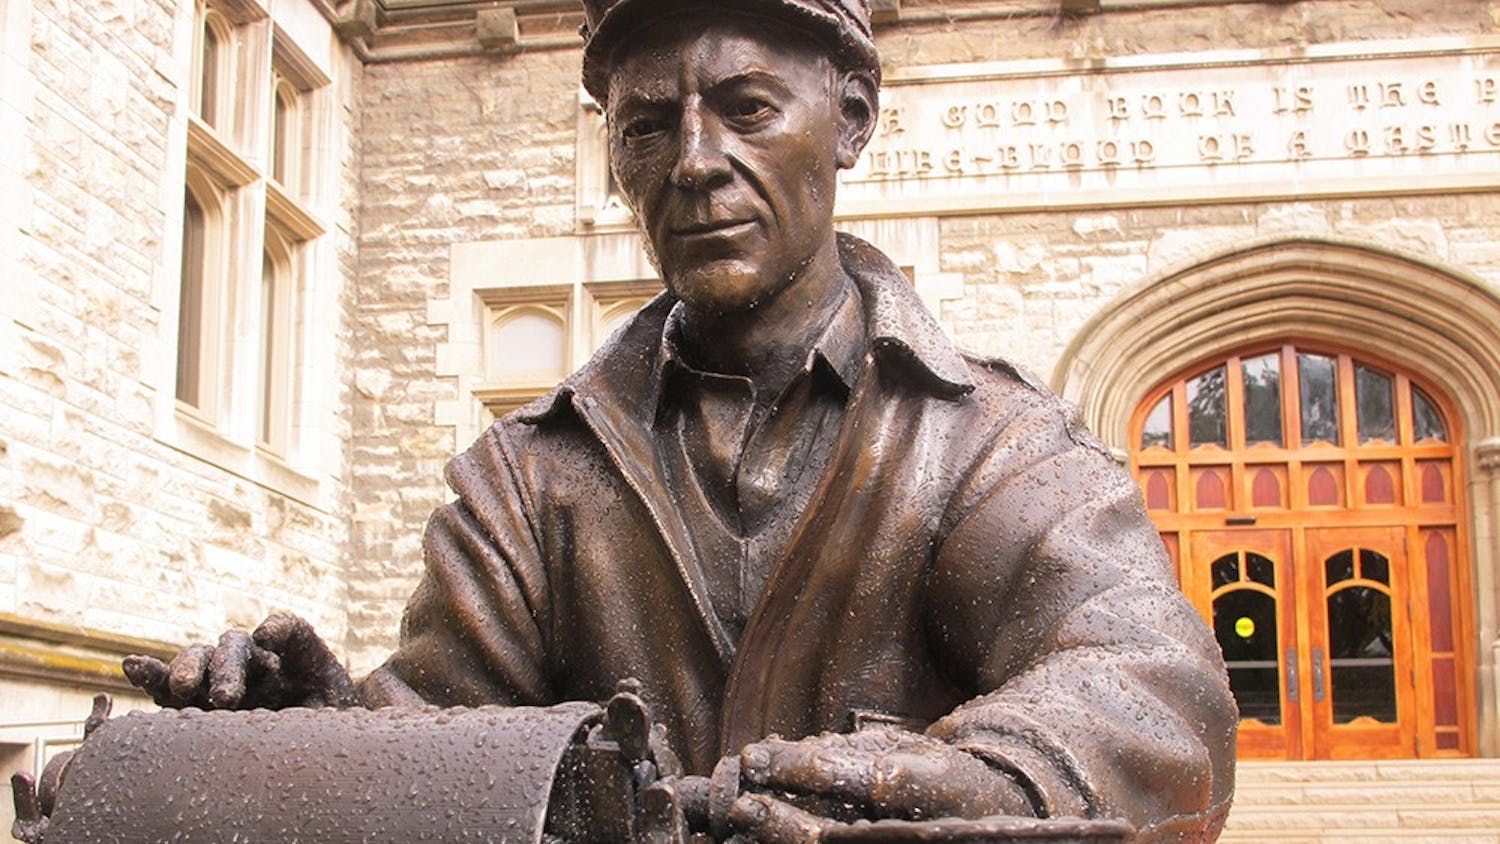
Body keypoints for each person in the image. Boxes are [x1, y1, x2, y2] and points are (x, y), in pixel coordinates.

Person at [126, 1, 1236, 841]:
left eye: (747, 109)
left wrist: (982, 779)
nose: (695, 163)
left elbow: (1157, 686)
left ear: (847, 122)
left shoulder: (983, 439)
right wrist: (312, 737)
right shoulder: (526, 479)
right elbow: (438, 741)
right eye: (647, 127)